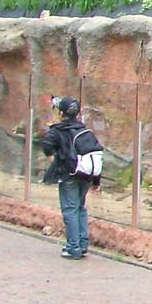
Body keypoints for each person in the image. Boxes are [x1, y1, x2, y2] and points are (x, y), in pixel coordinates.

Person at [38, 96, 102, 260]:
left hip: (69, 175)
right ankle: (82, 244)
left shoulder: (58, 130)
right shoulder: (85, 131)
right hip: (87, 175)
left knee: (70, 209)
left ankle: (73, 247)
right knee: (80, 207)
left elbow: (46, 145)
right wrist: (96, 182)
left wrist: (52, 159)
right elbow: (95, 154)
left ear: (61, 113)